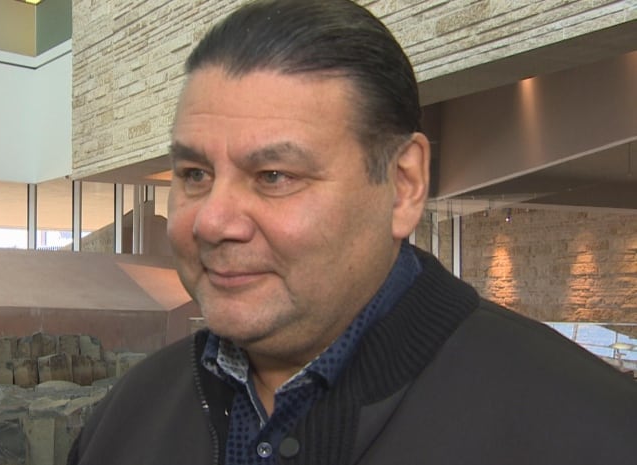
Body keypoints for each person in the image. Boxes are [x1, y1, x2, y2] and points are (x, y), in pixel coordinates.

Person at [67, 1, 637, 464]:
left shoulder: (590, 429)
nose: (212, 222)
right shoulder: (125, 420)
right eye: (194, 174)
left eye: (273, 176)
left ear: (403, 184)